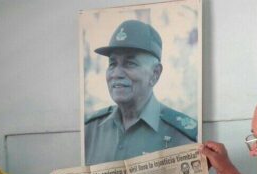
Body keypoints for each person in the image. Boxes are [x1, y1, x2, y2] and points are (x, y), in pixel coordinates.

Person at [84, 20, 197, 165]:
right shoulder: (91, 130)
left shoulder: (184, 135)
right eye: (112, 64)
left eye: (130, 63)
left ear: (155, 74)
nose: (116, 73)